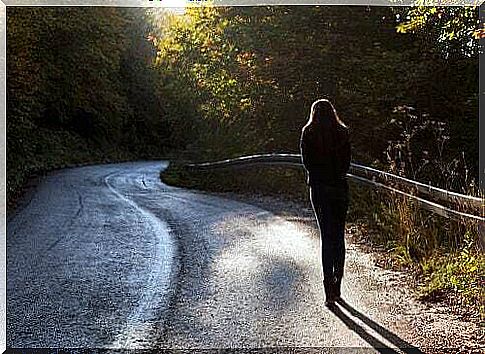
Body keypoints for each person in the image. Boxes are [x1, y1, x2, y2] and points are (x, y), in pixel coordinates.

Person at [300, 98, 351, 306]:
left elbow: (307, 163)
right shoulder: (342, 132)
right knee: (339, 236)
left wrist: (319, 175)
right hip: (339, 188)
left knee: (326, 237)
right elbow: (346, 163)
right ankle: (338, 285)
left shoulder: (308, 132)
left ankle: (328, 289)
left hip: (319, 189)